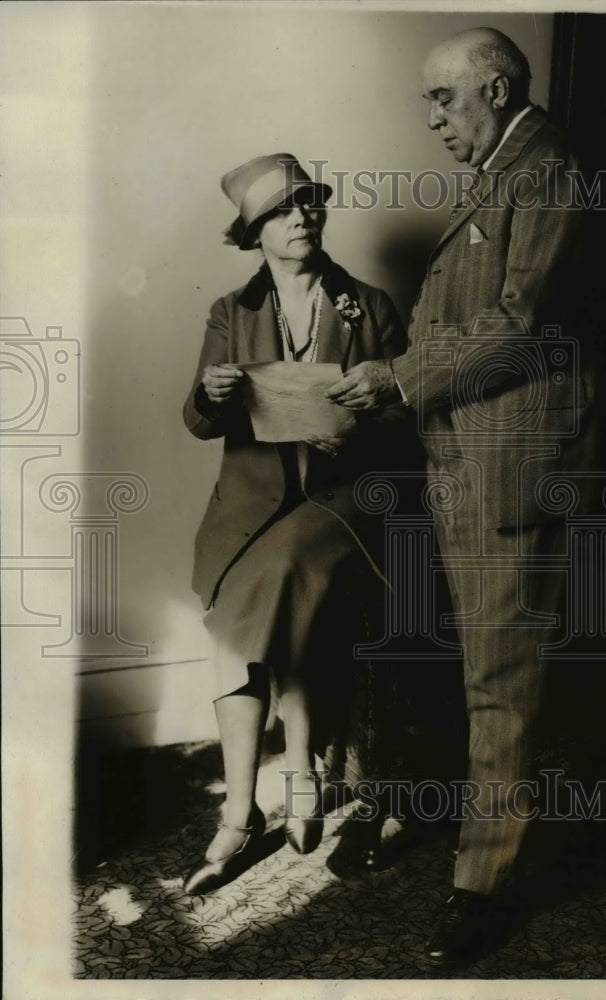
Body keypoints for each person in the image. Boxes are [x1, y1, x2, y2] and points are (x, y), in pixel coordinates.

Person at [326, 28, 606, 966]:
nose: (431, 118)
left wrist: (399, 378)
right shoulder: (511, 162)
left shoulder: (545, 168)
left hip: (511, 461)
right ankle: (476, 835)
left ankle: (483, 885)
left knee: (500, 680)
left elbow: (513, 324)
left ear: (494, 90)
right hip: (473, 455)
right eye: (429, 101)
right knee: (481, 668)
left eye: (444, 100)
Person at [182, 153, 413, 895]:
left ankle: (254, 805)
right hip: (250, 508)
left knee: (276, 580)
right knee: (237, 608)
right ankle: (270, 792)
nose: (303, 217)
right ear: (254, 231)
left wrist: (362, 426)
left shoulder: (368, 305)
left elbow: (411, 416)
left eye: (310, 203)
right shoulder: (231, 311)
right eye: (283, 210)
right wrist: (214, 392)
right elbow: (194, 420)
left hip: (346, 507)